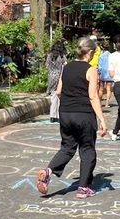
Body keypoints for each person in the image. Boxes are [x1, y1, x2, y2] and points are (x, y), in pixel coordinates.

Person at [36, 36, 107, 199]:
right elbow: (93, 97)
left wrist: (69, 104)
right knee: (87, 149)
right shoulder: (91, 70)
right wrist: (102, 119)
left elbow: (59, 91)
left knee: (67, 147)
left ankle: (49, 170)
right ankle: (83, 188)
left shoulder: (66, 67)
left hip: (66, 113)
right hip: (84, 114)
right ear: (89, 52)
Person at [46, 41, 66, 123]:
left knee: (53, 95)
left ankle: (52, 115)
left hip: (51, 76)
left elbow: (46, 65)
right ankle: (57, 115)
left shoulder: (49, 56)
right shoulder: (62, 56)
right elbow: (65, 66)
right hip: (59, 76)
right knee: (59, 95)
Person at [97, 41, 113, 109]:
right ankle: (107, 104)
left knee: (101, 89)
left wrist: (98, 73)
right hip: (109, 73)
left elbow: (99, 66)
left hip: (102, 74)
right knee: (109, 89)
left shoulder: (101, 56)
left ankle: (99, 103)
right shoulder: (111, 55)